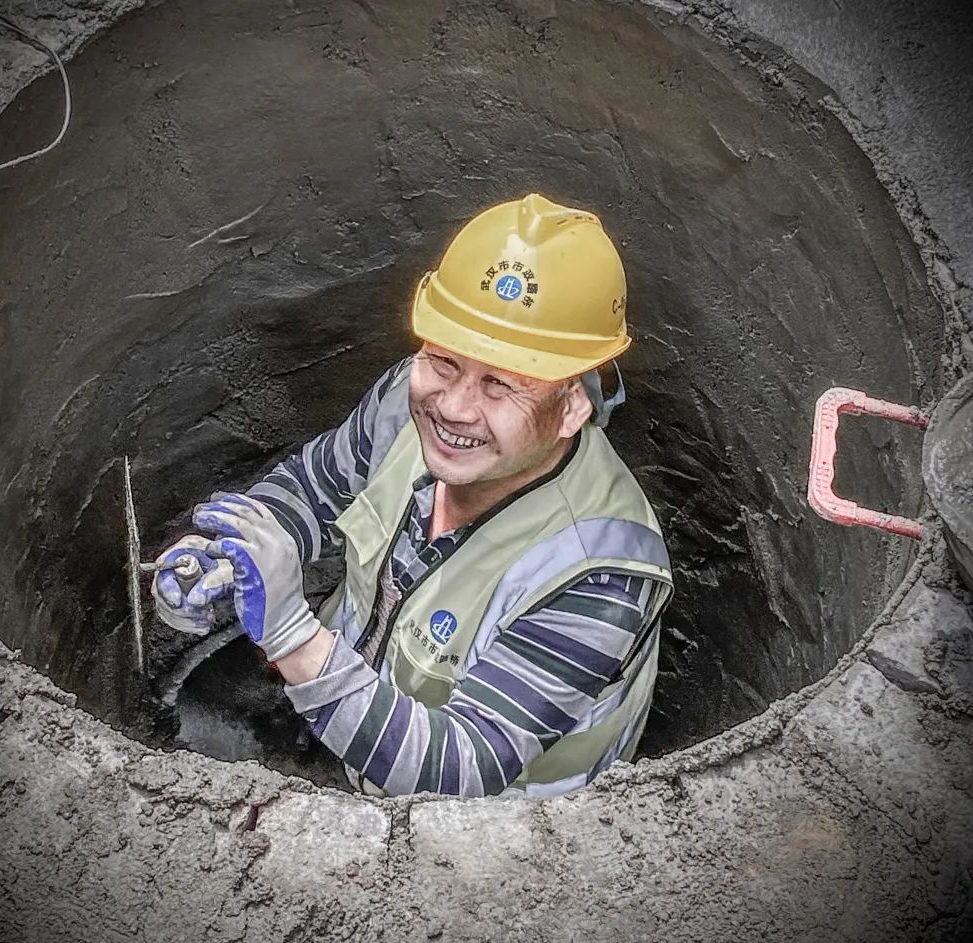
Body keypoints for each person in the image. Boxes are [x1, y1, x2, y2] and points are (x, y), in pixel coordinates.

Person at [153, 193, 673, 797]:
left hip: (477, 839)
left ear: (572, 405)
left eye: (501, 384)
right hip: (348, 699)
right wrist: (231, 552)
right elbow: (315, 487)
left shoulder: (599, 572)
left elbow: (462, 767)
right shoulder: (406, 403)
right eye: (445, 362)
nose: (453, 407)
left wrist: (293, 634)